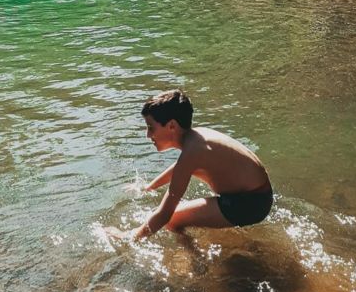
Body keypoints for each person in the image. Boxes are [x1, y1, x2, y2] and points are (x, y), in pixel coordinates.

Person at [113, 89, 273, 240]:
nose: (148, 135)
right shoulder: (196, 139)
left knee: (172, 220)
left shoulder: (193, 152)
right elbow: (179, 169)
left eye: (150, 127)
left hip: (251, 203)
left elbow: (164, 214)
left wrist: (130, 236)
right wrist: (150, 187)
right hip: (257, 196)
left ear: (172, 126)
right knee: (176, 214)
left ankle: (194, 257)